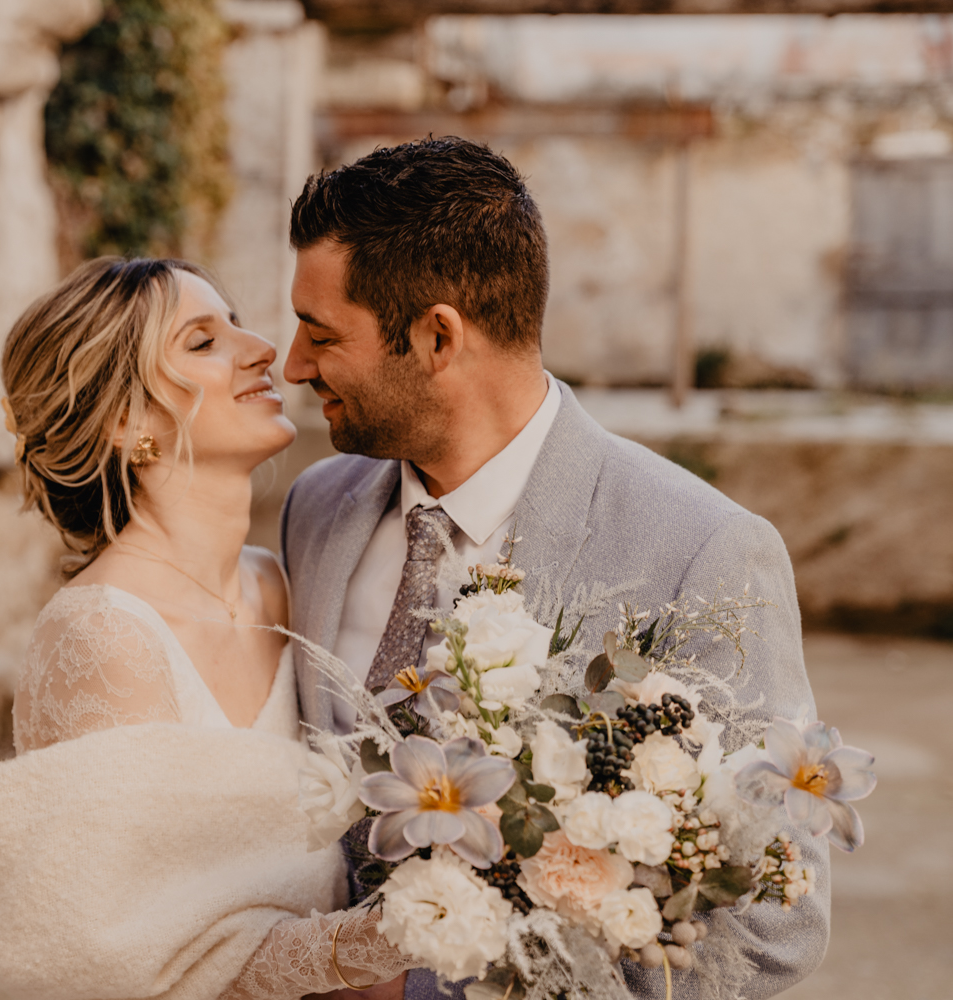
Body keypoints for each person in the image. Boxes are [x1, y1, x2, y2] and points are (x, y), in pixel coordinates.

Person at [279, 137, 828, 999]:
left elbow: (771, 931)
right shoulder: (315, 509)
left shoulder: (702, 551)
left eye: (319, 335)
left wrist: (418, 988)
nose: (293, 366)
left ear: (435, 336)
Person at [0, 256, 415, 1000]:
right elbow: (124, 959)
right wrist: (404, 936)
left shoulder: (282, 579)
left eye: (234, 323)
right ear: (126, 419)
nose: (262, 347)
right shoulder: (104, 636)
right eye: (203, 343)